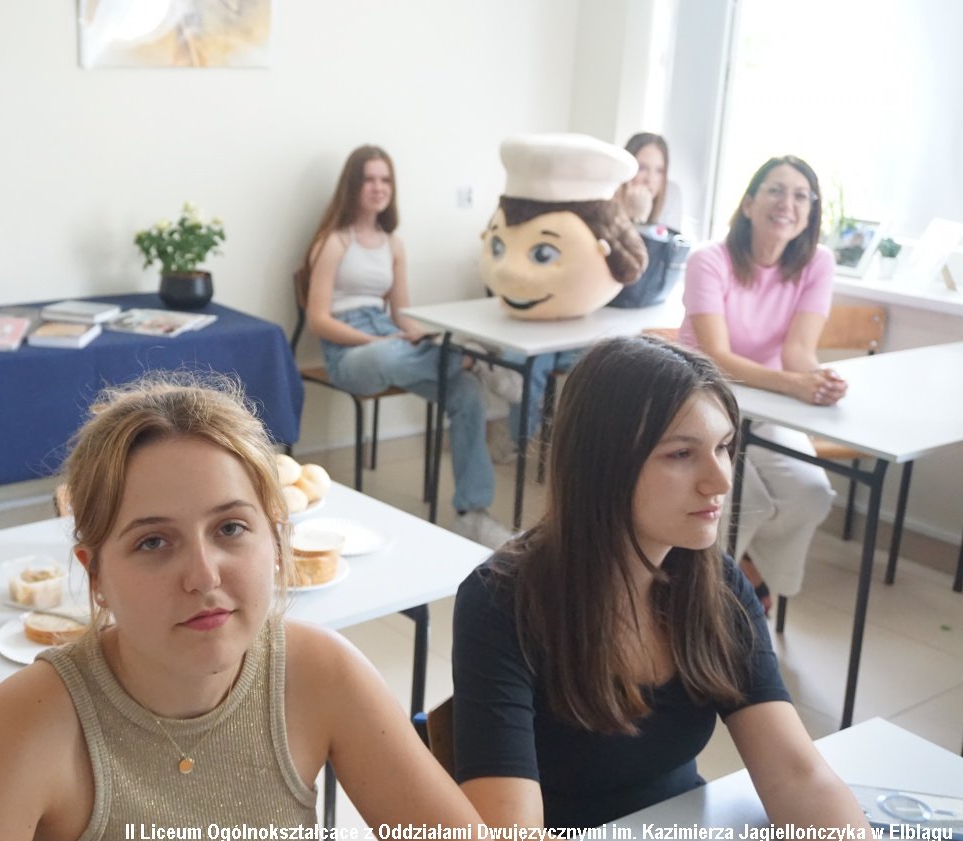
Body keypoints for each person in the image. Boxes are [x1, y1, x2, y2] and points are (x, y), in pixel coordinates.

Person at [0, 375, 498, 841]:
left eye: (231, 528)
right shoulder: (27, 724)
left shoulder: (320, 672)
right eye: (153, 542)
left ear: (276, 542)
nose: (203, 575)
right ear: (96, 578)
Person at [451, 337, 880, 841]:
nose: (720, 481)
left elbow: (798, 776)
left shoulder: (716, 585)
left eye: (724, 447)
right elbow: (511, 837)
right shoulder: (500, 602)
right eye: (681, 454)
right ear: (602, 464)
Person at [304, 144, 510, 549]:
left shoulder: (393, 243)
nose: (378, 187)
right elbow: (319, 320)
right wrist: (375, 340)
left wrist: (420, 335)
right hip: (349, 351)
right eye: (369, 179)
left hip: (392, 341)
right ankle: (470, 360)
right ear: (352, 185)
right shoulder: (334, 241)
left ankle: (472, 514)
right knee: (389, 355)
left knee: (467, 393)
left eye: (385, 180)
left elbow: (402, 315)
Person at [678, 154, 843, 615]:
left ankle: (749, 572)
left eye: (801, 195)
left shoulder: (818, 263)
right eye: (775, 190)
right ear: (749, 204)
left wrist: (818, 379)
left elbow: (799, 352)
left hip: (768, 401)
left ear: (810, 213)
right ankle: (713, 599)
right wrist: (794, 384)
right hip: (702, 397)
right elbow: (715, 356)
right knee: (738, 497)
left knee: (810, 493)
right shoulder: (709, 260)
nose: (788, 203)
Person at [490, 132, 675, 465]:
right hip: (572, 322)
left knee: (614, 373)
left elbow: (640, 282)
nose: (649, 178)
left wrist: (642, 224)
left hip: (614, 332)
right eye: (642, 167)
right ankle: (522, 439)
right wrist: (630, 221)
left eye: (658, 170)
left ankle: (592, 455)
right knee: (533, 360)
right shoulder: (597, 213)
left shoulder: (661, 229)